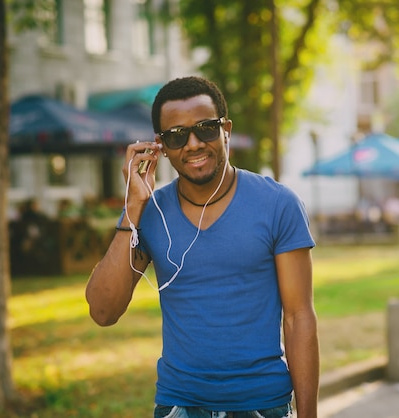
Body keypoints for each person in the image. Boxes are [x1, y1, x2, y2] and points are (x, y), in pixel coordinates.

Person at [85, 76, 319, 418]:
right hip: (179, 404)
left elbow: (299, 318)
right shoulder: (150, 212)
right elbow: (103, 312)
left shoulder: (278, 204)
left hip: (262, 403)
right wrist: (133, 206)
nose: (193, 144)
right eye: (177, 136)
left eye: (205, 128)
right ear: (160, 146)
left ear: (226, 129)